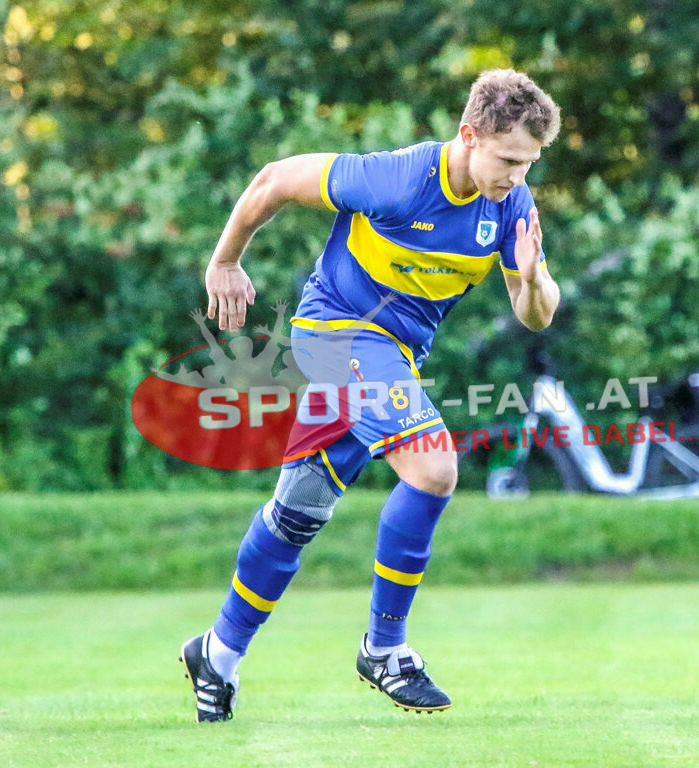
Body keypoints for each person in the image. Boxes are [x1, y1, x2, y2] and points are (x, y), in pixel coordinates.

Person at [180, 68, 561, 722]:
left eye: (529, 164)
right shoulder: (398, 178)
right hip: (335, 335)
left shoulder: (512, 206)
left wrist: (529, 281)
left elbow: (536, 314)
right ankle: (385, 649)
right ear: (469, 135)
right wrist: (225, 262)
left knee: (299, 510)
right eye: (507, 160)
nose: (517, 176)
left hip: (388, 361)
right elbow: (273, 180)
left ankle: (216, 652)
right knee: (436, 466)